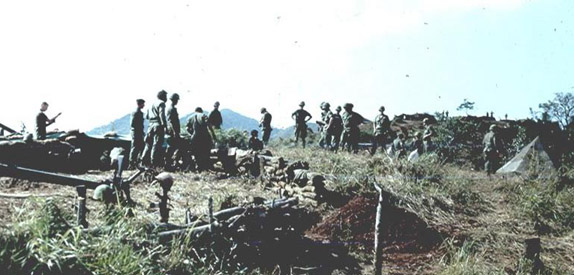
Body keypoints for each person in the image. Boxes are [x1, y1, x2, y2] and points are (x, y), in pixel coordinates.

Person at [142, 90, 168, 167]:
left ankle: (143, 161)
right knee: (156, 145)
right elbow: (161, 115)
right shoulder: (161, 103)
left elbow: (146, 116)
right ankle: (154, 163)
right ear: (163, 96)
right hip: (158, 125)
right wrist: (164, 126)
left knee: (148, 144)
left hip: (150, 125)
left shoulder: (151, 104)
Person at [187, 107, 215, 172]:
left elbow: (187, 128)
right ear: (201, 111)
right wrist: (213, 134)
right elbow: (209, 125)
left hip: (195, 137)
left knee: (196, 152)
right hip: (204, 136)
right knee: (206, 151)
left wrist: (192, 134)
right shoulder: (203, 115)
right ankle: (205, 167)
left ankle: (198, 167)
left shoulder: (190, 118)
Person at [165, 93, 181, 168]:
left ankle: (170, 162)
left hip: (171, 130)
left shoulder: (171, 108)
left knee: (173, 147)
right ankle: (168, 163)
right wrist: (175, 132)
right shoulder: (172, 109)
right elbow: (171, 121)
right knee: (172, 147)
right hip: (173, 131)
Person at [129, 99, 145, 168]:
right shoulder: (135, 113)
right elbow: (133, 124)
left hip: (139, 132)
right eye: (142, 104)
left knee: (140, 147)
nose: (143, 105)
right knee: (135, 147)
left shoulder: (139, 113)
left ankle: (137, 162)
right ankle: (131, 163)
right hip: (136, 133)